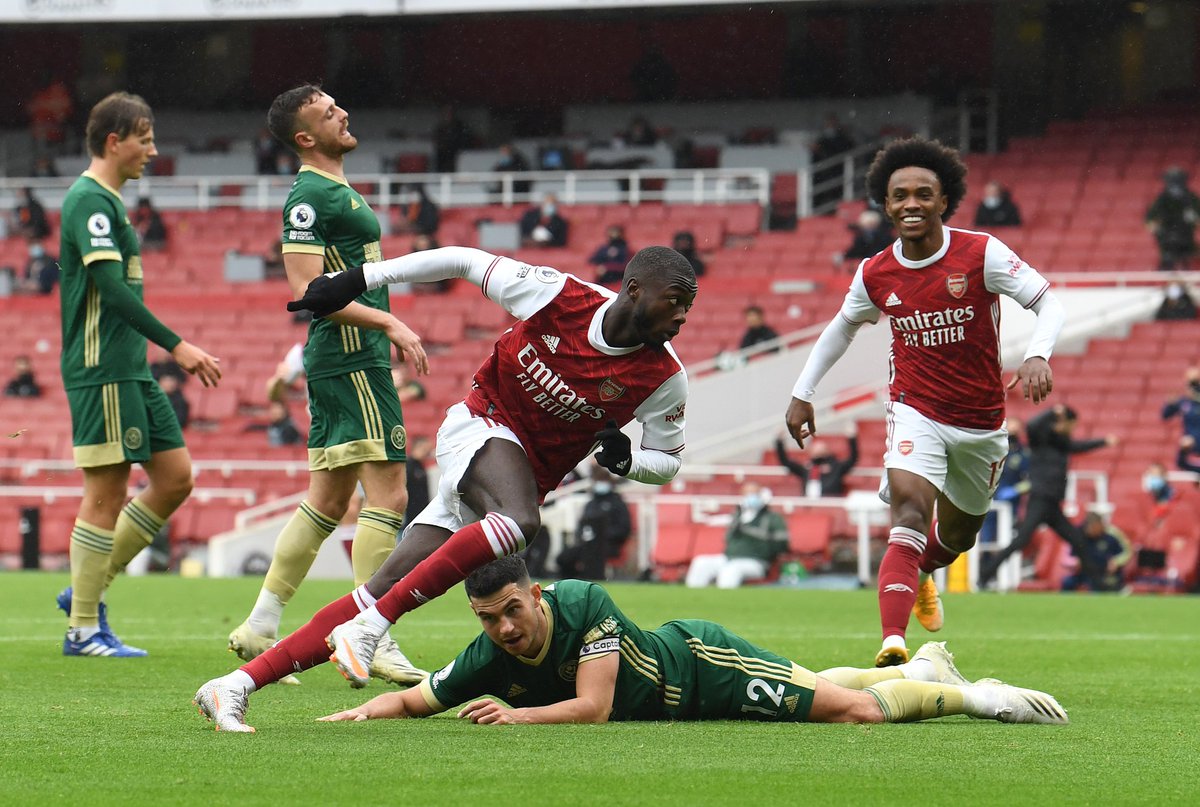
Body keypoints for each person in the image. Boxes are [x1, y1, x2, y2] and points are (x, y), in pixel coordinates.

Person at [194, 242, 697, 731]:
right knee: (521, 522)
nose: (680, 317)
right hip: (479, 426)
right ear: (634, 289)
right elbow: (462, 260)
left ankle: (234, 685)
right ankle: (372, 628)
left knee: (378, 589)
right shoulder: (559, 297)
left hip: (509, 481)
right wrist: (358, 279)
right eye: (673, 301)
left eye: (688, 307)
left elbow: (667, 461)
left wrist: (630, 461)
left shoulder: (664, 378)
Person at [784, 136, 1067, 667]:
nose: (910, 204)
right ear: (886, 205)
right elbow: (841, 328)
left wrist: (1038, 354)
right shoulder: (875, 273)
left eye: (922, 194)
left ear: (944, 201)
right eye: (899, 196)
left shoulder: (981, 252)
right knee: (910, 514)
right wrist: (803, 392)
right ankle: (893, 642)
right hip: (916, 410)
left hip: (982, 422)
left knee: (958, 536)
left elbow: (1048, 302)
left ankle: (923, 572)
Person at [311, 556, 1067, 728]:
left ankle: (980, 699)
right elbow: (416, 698)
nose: (503, 629)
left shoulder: (582, 602)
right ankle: (930, 664)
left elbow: (594, 707)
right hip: (690, 697)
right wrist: (360, 712)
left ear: (536, 596)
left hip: (704, 669)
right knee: (821, 683)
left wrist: (520, 715)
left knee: (853, 712)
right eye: (487, 619)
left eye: (511, 610)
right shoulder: (489, 653)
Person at [223, 85, 429, 687]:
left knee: (327, 502)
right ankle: (372, 633)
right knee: (389, 496)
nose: (343, 112)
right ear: (305, 137)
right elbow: (308, 292)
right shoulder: (310, 196)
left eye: (338, 104)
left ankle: (261, 623)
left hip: (344, 358)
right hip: (352, 357)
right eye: (327, 112)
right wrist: (387, 322)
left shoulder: (333, 188)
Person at [55, 91, 222, 657]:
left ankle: (85, 589)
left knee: (175, 477)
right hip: (102, 367)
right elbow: (109, 289)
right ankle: (82, 629)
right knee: (106, 492)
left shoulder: (109, 202)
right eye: (144, 139)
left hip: (129, 368)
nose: (152, 150)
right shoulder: (89, 201)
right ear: (114, 141)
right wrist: (177, 346)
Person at [977, 405, 1117, 588]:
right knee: (1021, 541)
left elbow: (1079, 446)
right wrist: (1052, 411)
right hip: (1040, 500)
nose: (1072, 429)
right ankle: (985, 574)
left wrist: (1103, 442)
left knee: (1078, 540)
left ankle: (1098, 582)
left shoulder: (1061, 443)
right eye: (1071, 424)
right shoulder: (1041, 439)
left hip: (1052, 504)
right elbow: (1032, 425)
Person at [685, 482, 789, 589]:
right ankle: (694, 597)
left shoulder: (773, 518)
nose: (750, 497)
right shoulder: (738, 515)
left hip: (756, 561)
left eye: (754, 493)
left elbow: (782, 546)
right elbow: (728, 539)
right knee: (701, 563)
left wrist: (752, 536)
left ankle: (725, 598)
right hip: (729, 557)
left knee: (732, 569)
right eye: (747, 493)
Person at [556, 463, 632, 580]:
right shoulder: (591, 504)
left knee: (592, 556)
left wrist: (602, 535)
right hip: (587, 544)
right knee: (563, 557)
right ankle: (571, 581)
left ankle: (592, 579)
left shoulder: (617, 503)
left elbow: (624, 529)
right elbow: (582, 525)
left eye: (602, 480)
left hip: (609, 545)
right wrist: (584, 537)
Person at [977, 417, 1031, 546]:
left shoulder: (1024, 454)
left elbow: (1031, 481)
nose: (1012, 433)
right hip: (988, 500)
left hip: (1010, 503)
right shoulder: (992, 449)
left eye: (1015, 430)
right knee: (985, 538)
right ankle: (985, 558)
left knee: (1005, 538)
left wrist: (1015, 490)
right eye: (1010, 429)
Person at [774, 428, 858, 497]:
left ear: (827, 450)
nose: (817, 450)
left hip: (830, 504)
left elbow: (852, 459)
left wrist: (852, 438)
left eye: (821, 448)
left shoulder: (836, 467)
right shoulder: (806, 468)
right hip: (809, 505)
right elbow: (786, 462)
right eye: (815, 448)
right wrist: (779, 441)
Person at [1145, 167, 1200, 271]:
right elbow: (1150, 219)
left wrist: (1194, 219)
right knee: (1168, 257)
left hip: (1187, 235)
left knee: (1188, 259)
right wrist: (1155, 227)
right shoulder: (1162, 199)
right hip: (1167, 236)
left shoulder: (1192, 198)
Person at [1060, 513, 1131, 593]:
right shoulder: (1076, 534)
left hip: (1105, 572)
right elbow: (1065, 556)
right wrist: (1075, 562)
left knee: (1101, 586)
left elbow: (1127, 552)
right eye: (1092, 528)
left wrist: (1116, 561)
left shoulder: (1111, 533)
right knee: (1067, 582)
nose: (1094, 531)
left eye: (1097, 528)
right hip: (1083, 572)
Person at [1161, 367, 1200, 445]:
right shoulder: (1183, 402)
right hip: (1190, 442)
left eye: (1194, 384)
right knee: (1185, 443)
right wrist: (1170, 404)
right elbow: (1165, 415)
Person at [432, 105, 473, 174]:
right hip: (443, 158)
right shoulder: (441, 128)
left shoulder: (460, 127)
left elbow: (464, 141)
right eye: (445, 112)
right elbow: (437, 142)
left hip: (457, 156)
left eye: (449, 112)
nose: (447, 114)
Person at [403, 436, 433, 528]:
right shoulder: (408, 466)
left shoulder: (420, 466)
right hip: (410, 514)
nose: (427, 453)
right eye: (425, 449)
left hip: (420, 513)